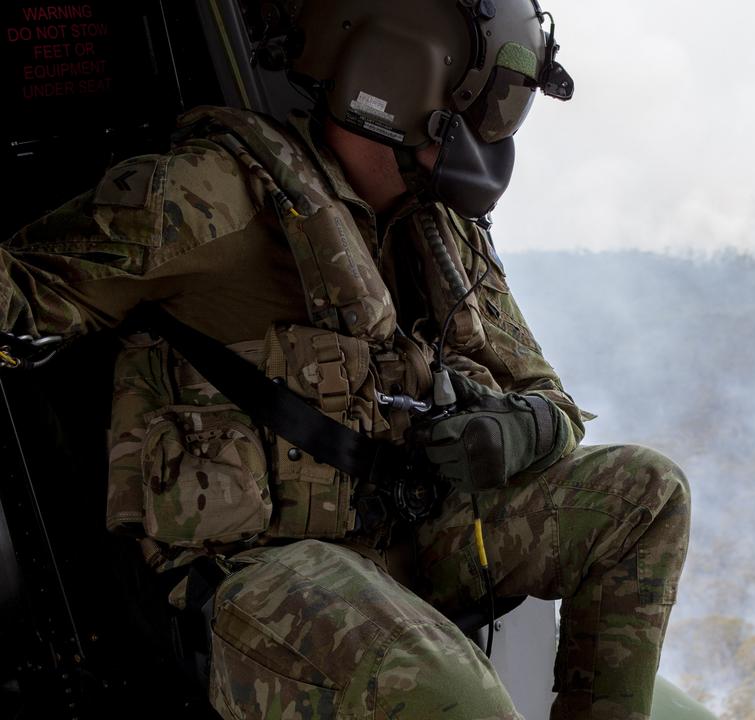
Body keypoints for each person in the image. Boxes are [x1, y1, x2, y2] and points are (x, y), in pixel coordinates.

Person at [0, 0, 690, 718]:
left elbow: (550, 400)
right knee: (444, 694)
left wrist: (522, 430)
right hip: (259, 576)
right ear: (403, 79)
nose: (493, 133)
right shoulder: (212, 196)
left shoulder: (438, 228)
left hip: (406, 537)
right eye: (481, 102)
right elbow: (23, 294)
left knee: (647, 494)